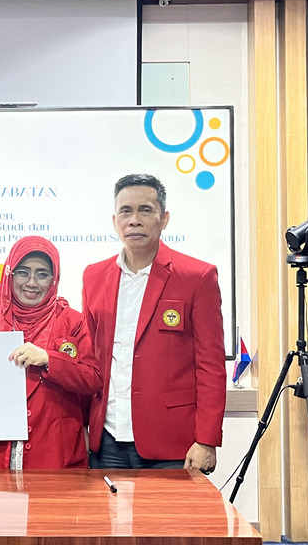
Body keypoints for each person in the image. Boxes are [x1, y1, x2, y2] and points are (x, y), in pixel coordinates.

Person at [82, 174, 226, 472]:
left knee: (170, 521)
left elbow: (211, 365)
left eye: (145, 210)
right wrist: (83, 426)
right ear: (114, 220)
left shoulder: (196, 276)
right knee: (107, 521)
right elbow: (89, 362)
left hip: (173, 444)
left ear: (164, 218)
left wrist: (207, 440)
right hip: (106, 441)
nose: (134, 220)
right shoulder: (93, 277)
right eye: (126, 211)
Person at [0, 236, 101, 469]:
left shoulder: (72, 321)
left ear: (54, 279)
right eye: (23, 272)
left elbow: (92, 379)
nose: (32, 282)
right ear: (9, 274)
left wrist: (48, 359)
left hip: (53, 452)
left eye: (42, 274)